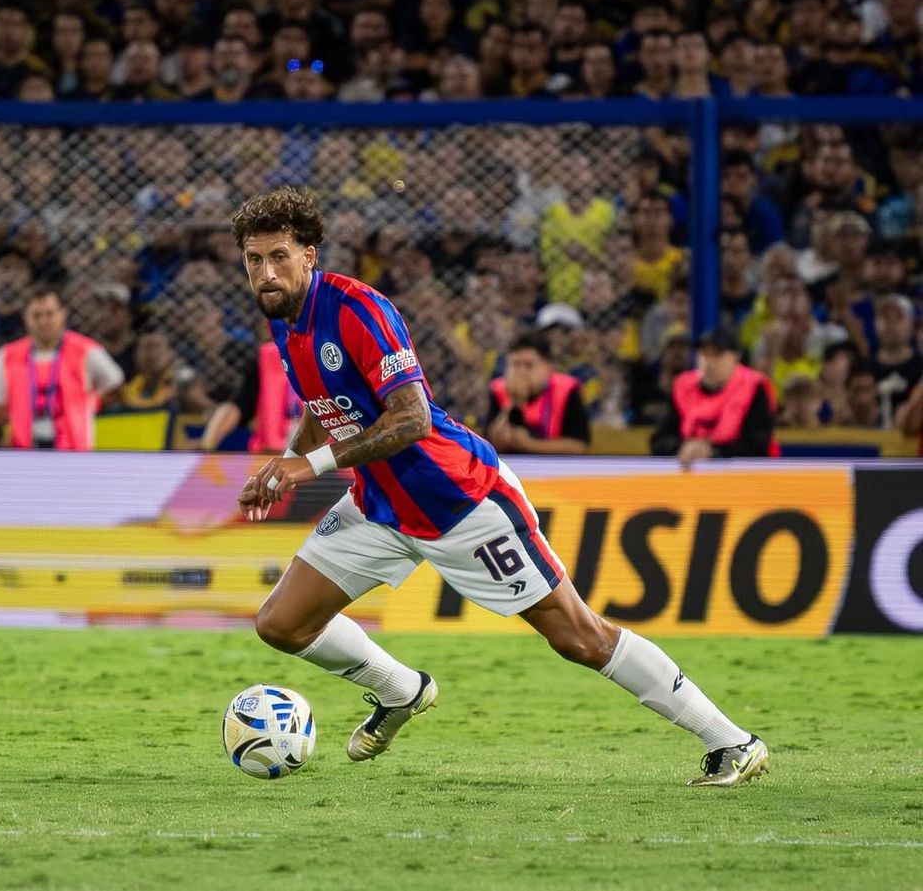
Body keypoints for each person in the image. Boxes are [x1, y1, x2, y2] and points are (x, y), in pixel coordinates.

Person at [232, 187, 768, 788]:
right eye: (255, 260)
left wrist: (308, 469)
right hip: (381, 505)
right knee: (282, 623)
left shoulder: (358, 310)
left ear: (309, 255)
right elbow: (322, 404)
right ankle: (402, 690)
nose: (266, 273)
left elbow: (412, 419)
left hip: (460, 498)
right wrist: (282, 464)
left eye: (279, 257)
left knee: (579, 637)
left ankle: (732, 741)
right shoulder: (284, 319)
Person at [0, 287, 125, 450]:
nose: (43, 322)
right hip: (24, 451)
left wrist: (91, 402)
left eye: (49, 314)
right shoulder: (7, 356)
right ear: (25, 317)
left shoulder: (86, 351)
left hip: (73, 451)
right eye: (36, 315)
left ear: (63, 314)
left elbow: (115, 384)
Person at [650, 327, 779, 467]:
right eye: (704, 354)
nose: (708, 361)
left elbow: (758, 445)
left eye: (717, 354)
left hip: (744, 475)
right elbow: (659, 441)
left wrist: (714, 451)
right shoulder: (683, 387)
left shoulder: (754, 387)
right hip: (689, 472)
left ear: (735, 357)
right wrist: (683, 447)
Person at [486, 329, 590, 455]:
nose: (521, 372)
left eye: (528, 365)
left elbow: (578, 445)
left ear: (548, 366)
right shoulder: (499, 390)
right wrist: (512, 403)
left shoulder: (567, 390)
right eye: (515, 364)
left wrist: (528, 445)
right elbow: (491, 444)